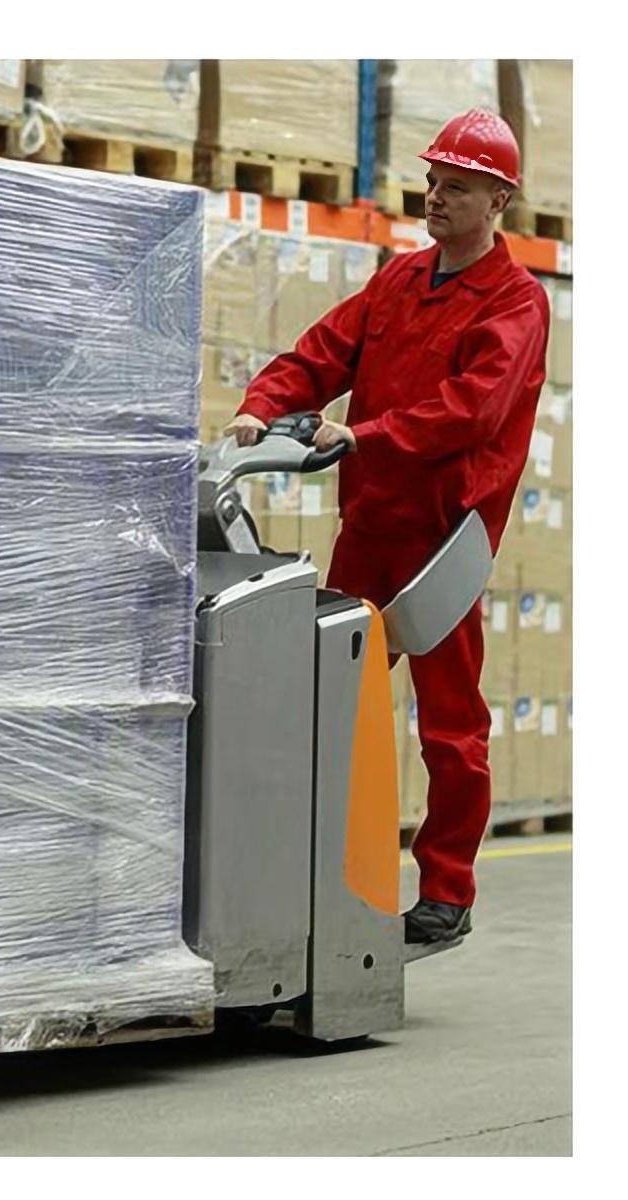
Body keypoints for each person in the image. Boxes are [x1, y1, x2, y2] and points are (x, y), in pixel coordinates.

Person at [224, 109, 551, 944]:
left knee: (451, 729)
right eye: (433, 182)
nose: (435, 197)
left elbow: (472, 410)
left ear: (499, 200)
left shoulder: (516, 303)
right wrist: (263, 406)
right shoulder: (399, 282)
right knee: (324, 710)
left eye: (457, 188)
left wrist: (363, 434)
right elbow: (320, 354)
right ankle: (318, 879)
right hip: (371, 528)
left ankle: (447, 893)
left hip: (442, 544)